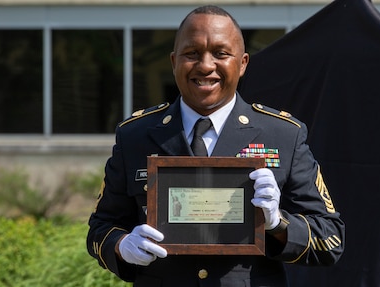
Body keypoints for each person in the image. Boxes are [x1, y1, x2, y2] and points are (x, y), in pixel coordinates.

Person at [87, 5, 345, 287]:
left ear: (243, 63)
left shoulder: (282, 135)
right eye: (192, 54)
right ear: (174, 61)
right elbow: (100, 228)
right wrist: (122, 245)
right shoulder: (134, 135)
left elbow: (330, 238)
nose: (206, 66)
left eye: (221, 53)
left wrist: (277, 224)